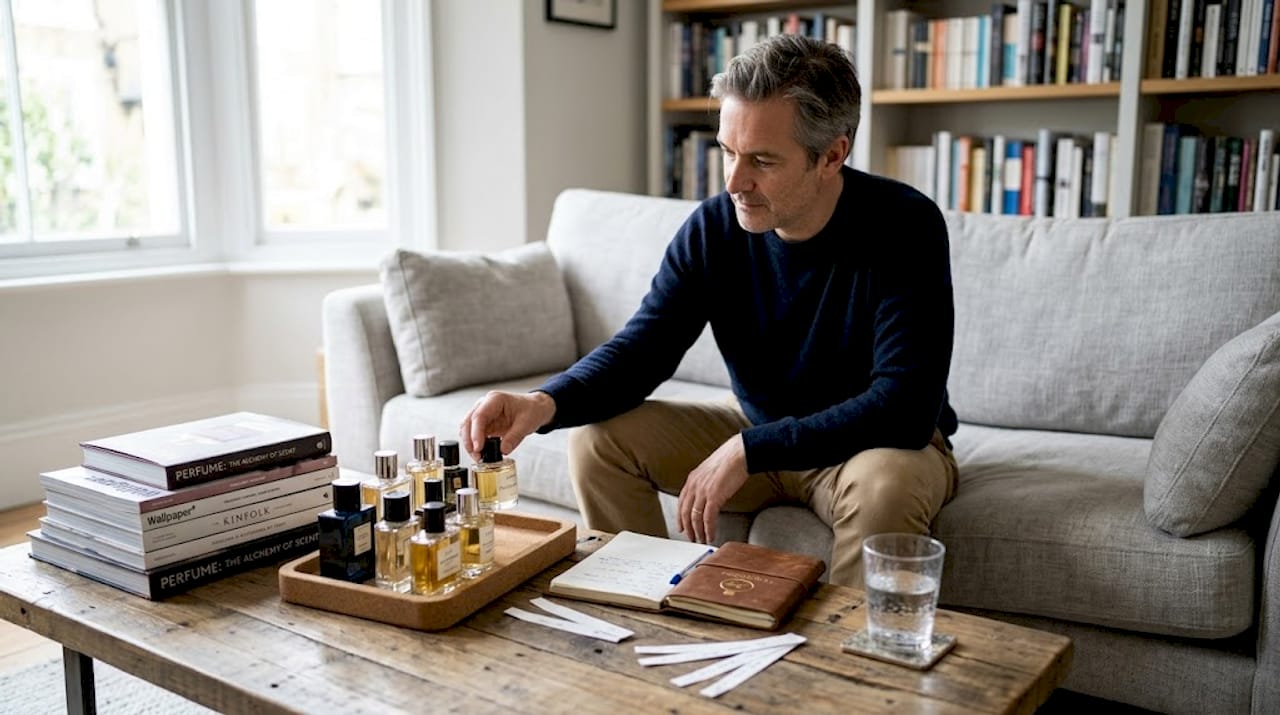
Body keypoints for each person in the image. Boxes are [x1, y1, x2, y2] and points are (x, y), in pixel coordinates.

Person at [460, 33, 958, 587]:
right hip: (758, 422)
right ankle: (647, 615)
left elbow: (905, 406)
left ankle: (839, 667)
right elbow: (644, 349)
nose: (734, 182)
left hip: (871, 445)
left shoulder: (904, 225)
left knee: (886, 488)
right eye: (728, 151)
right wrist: (543, 402)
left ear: (832, 155)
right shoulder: (714, 228)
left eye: (763, 161)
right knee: (598, 442)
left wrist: (750, 449)